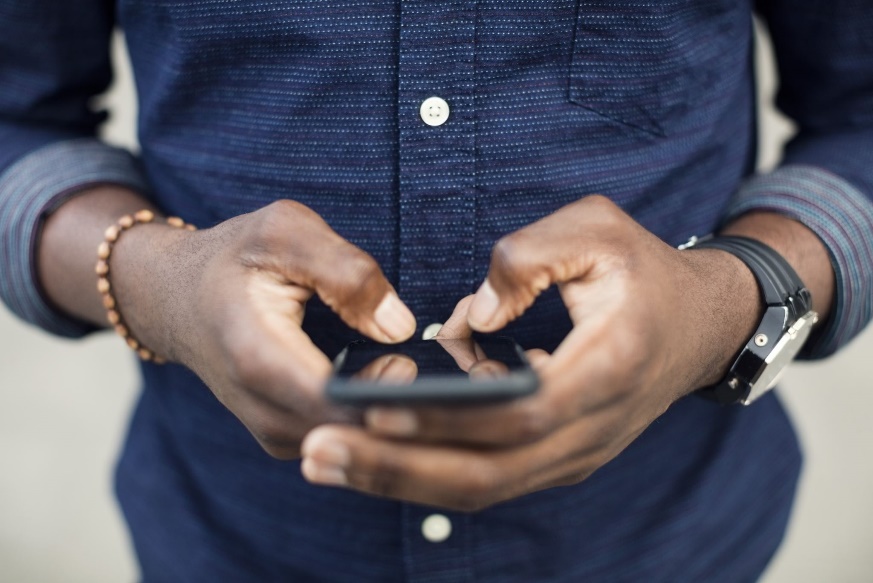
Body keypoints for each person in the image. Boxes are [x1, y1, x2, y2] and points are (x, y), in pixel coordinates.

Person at [1, 1, 871, 581]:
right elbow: (16, 120)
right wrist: (159, 284)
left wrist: (723, 302)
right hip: (227, 538)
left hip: (675, 539)